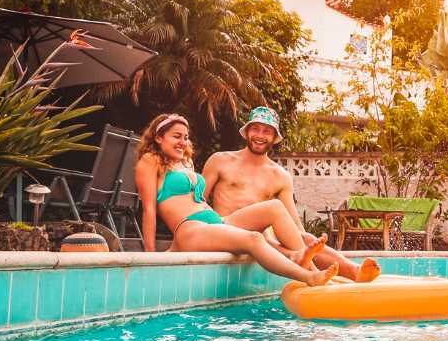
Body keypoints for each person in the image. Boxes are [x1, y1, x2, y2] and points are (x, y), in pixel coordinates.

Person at [133, 112, 338, 287]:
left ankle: (308, 264)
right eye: (176, 136)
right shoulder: (150, 161)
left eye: (185, 137)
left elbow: (198, 200)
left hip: (216, 222)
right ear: (159, 138)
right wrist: (150, 255)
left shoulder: (184, 162)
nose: (183, 142)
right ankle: (308, 277)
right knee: (254, 239)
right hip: (190, 229)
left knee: (274, 208)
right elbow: (149, 209)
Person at [202, 106, 380, 283]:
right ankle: (311, 271)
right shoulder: (220, 160)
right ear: (247, 131)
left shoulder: (280, 175)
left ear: (274, 138)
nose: (260, 135)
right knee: (271, 228)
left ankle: (354, 272)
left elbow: (293, 222)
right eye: (255, 128)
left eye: (267, 131)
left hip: (261, 236)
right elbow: (198, 201)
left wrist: (307, 241)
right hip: (225, 229)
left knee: (305, 238)